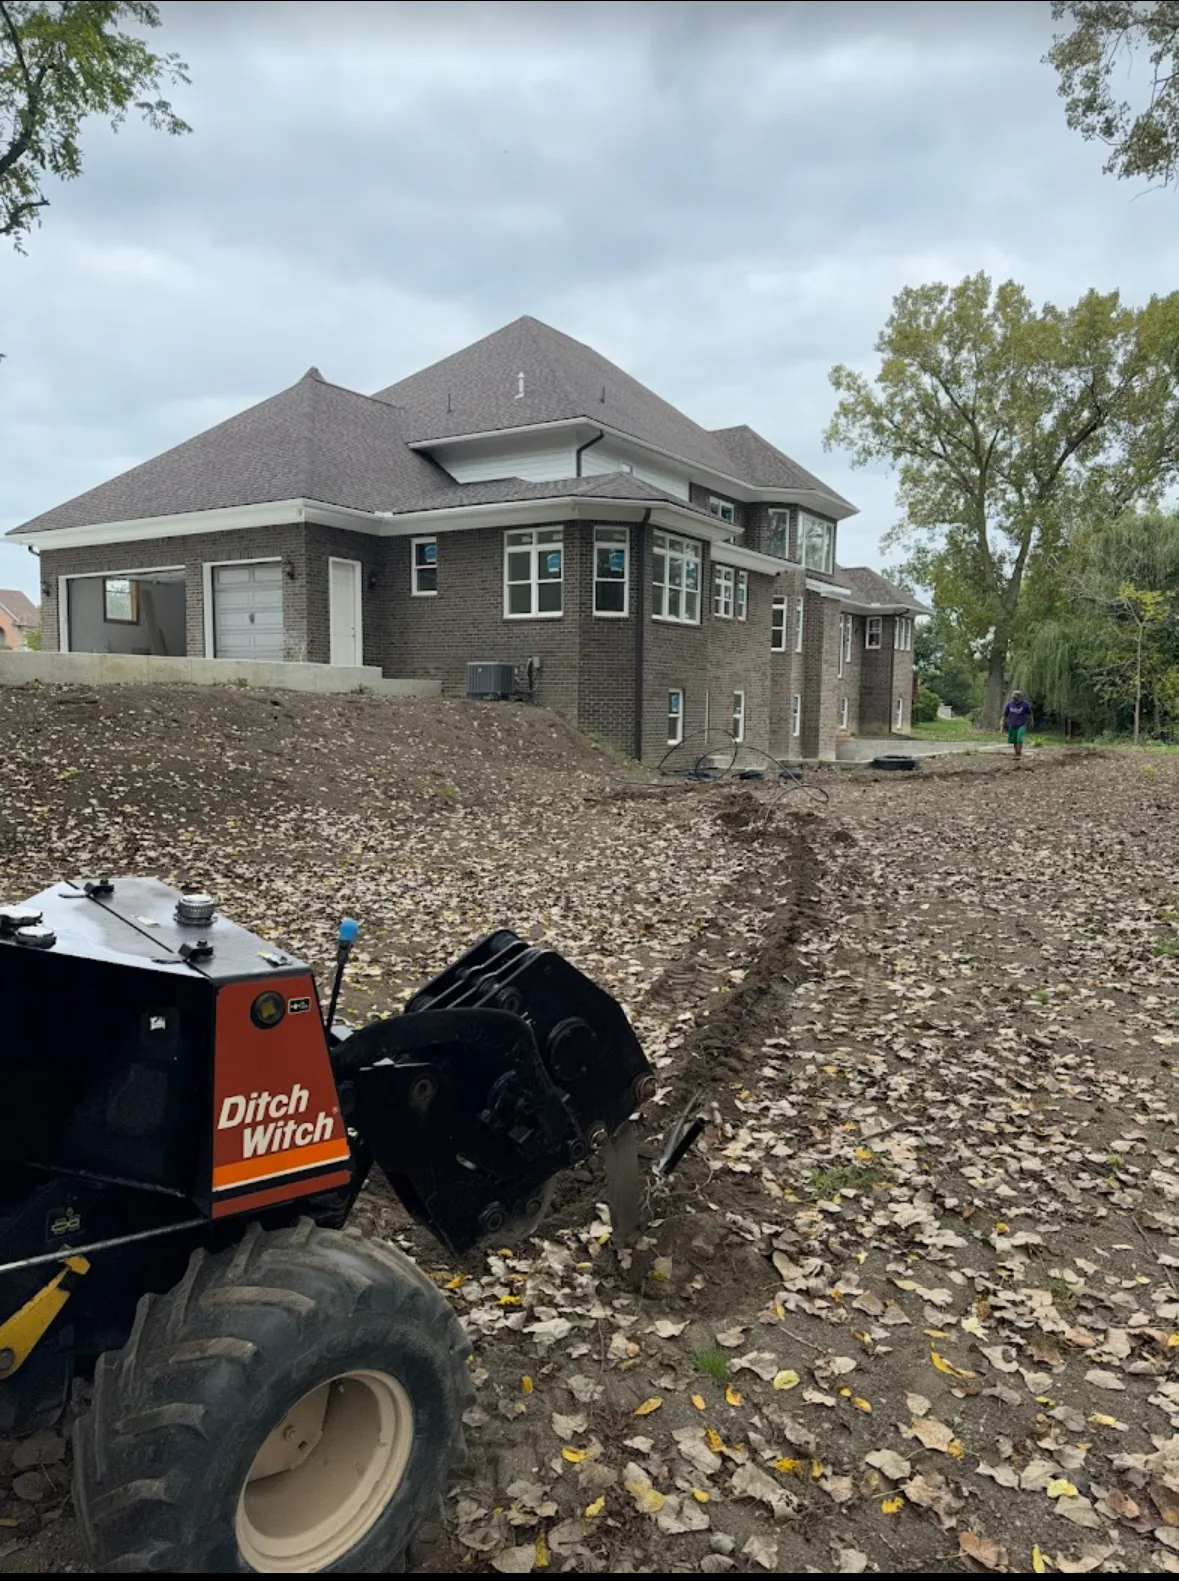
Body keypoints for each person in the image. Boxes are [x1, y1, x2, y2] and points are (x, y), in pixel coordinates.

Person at [1001, 690, 1034, 767]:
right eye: (1013, 696)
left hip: (1021, 724)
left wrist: (1031, 721)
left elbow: (1030, 714)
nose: (1014, 697)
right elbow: (1005, 714)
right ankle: (1016, 753)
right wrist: (1002, 721)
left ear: (1019, 697)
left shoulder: (1025, 704)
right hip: (1012, 725)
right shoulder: (1009, 704)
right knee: (1014, 740)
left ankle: (1019, 753)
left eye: (1015, 696)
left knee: (1019, 738)